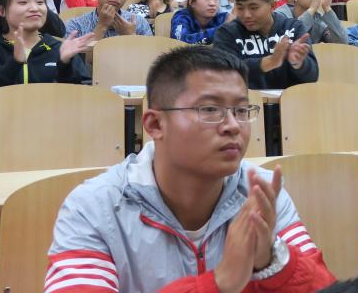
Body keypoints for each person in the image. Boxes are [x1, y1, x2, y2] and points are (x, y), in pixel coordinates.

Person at [45, 46, 336, 292]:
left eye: (241, 110)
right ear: (155, 124)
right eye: (209, 109)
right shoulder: (95, 207)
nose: (233, 126)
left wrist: (274, 261)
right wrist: (219, 283)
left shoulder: (262, 193)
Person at [213, 0, 319, 89]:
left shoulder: (293, 28)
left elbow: (312, 77)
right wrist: (269, 62)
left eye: (254, 8)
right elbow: (223, 73)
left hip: (288, 100)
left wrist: (298, 63)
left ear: (272, 5)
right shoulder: (228, 32)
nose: (246, 15)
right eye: (240, 8)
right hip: (245, 99)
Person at [275, 0, 347, 45]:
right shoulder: (280, 15)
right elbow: (290, 38)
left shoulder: (318, 17)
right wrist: (312, 9)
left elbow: (342, 42)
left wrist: (327, 8)